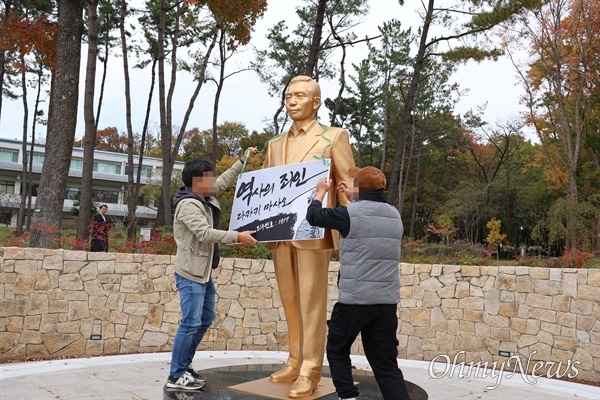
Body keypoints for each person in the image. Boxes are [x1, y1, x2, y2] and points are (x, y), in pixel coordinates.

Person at [263, 75, 355, 398]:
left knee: (312, 302)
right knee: (290, 300)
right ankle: (295, 358)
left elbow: (349, 187)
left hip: (314, 232)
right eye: (288, 95)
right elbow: (266, 189)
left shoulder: (333, 138)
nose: (291, 101)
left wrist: (353, 230)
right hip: (280, 234)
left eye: (299, 96)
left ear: (315, 102)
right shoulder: (274, 145)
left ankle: (311, 369)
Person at [305, 166, 411, 400]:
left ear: (361, 189)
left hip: (354, 300)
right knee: (385, 365)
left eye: (355, 183)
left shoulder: (348, 214)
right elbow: (369, 217)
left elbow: (313, 216)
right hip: (386, 303)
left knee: (337, 349)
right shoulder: (394, 214)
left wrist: (320, 192)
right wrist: (353, 197)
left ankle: (348, 396)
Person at [167, 150, 259, 390]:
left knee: (205, 318)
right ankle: (176, 375)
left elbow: (225, 181)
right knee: (190, 323)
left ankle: (184, 366)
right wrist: (237, 237)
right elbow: (205, 234)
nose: (214, 181)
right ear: (198, 181)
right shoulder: (188, 205)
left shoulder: (203, 196)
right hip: (190, 274)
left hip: (203, 273)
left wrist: (242, 161)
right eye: (210, 177)